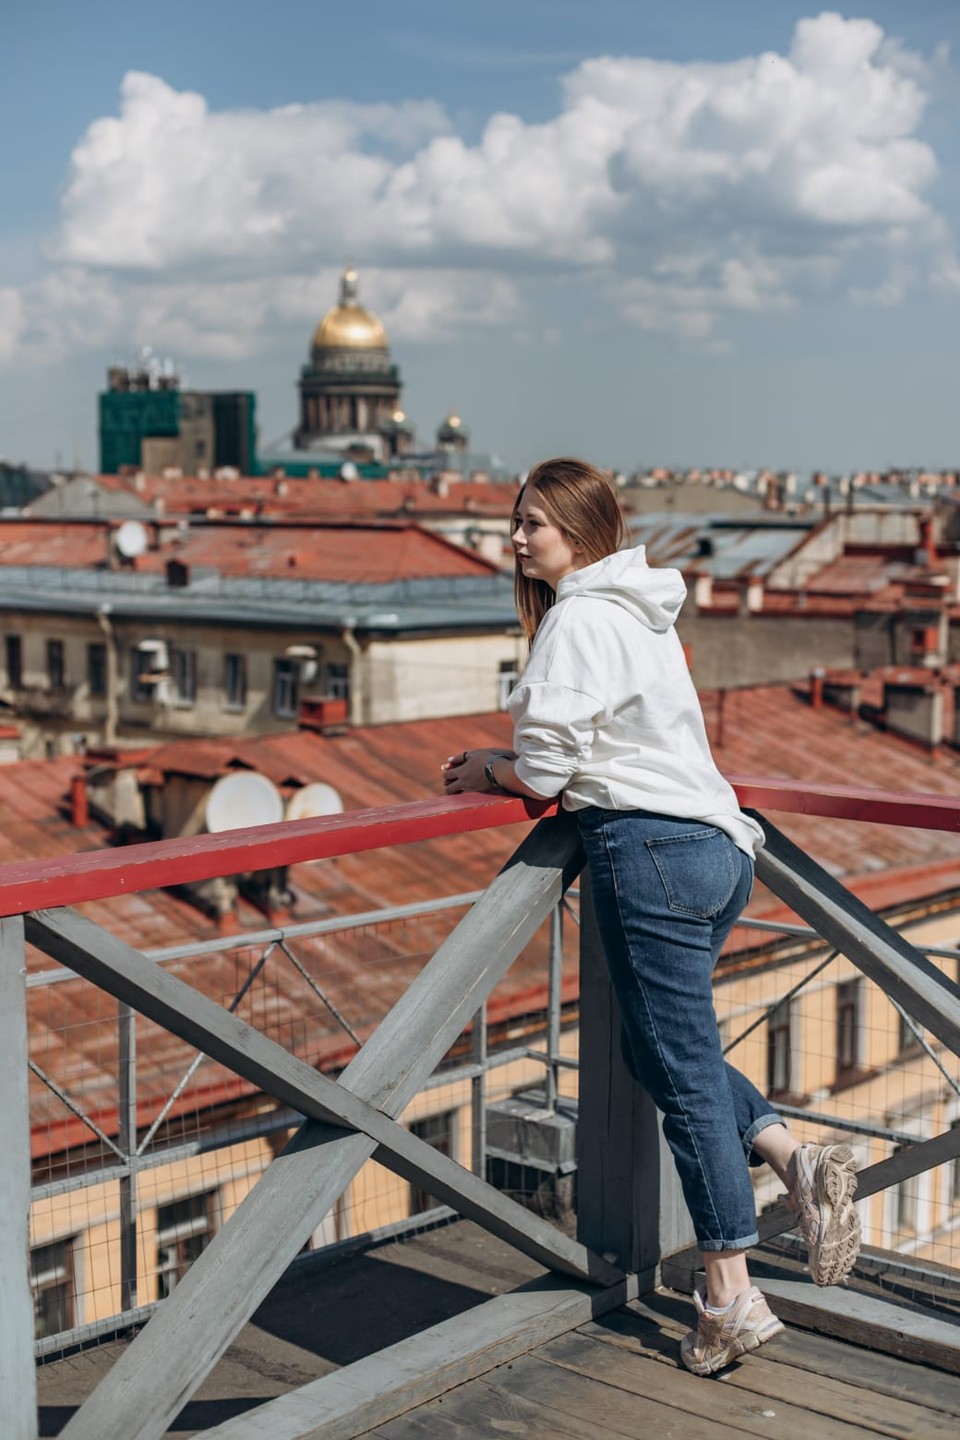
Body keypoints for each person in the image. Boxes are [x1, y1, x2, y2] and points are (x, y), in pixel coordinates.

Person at [441, 457, 861, 1375]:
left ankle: (730, 1293)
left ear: (580, 532)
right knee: (660, 1052)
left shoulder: (577, 619)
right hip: (719, 849)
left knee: (684, 1074)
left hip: (649, 853)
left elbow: (547, 770)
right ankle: (793, 1160)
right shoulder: (641, 612)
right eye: (516, 520)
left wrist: (487, 768)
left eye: (534, 524)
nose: (516, 538)